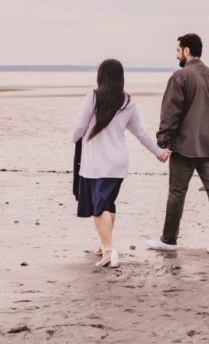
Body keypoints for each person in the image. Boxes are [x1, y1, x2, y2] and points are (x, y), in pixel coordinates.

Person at [72, 59, 169, 268]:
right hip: (118, 163)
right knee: (108, 203)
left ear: (101, 76)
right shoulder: (128, 102)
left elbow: (79, 127)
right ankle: (103, 243)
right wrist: (159, 153)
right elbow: (140, 133)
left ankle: (108, 250)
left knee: (99, 207)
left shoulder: (93, 97)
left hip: (97, 164)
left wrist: (74, 138)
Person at [146, 33, 209, 255]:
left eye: (178, 50)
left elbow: (170, 113)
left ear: (187, 51)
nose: (177, 55)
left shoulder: (180, 77)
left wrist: (163, 142)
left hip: (184, 147)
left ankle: (169, 239)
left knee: (177, 192)